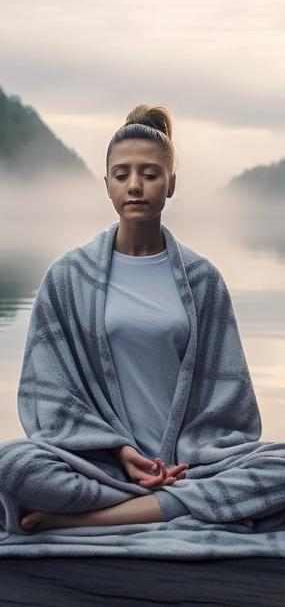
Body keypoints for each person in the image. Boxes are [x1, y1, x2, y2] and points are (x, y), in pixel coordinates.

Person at [2, 104, 257, 533]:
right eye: (122, 175)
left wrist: (186, 459)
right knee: (13, 464)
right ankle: (170, 506)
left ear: (171, 183)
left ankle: (88, 519)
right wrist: (118, 450)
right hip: (100, 466)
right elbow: (44, 396)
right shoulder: (68, 277)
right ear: (106, 184)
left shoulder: (203, 281)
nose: (135, 186)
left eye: (150, 174)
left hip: (190, 466)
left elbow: (231, 404)